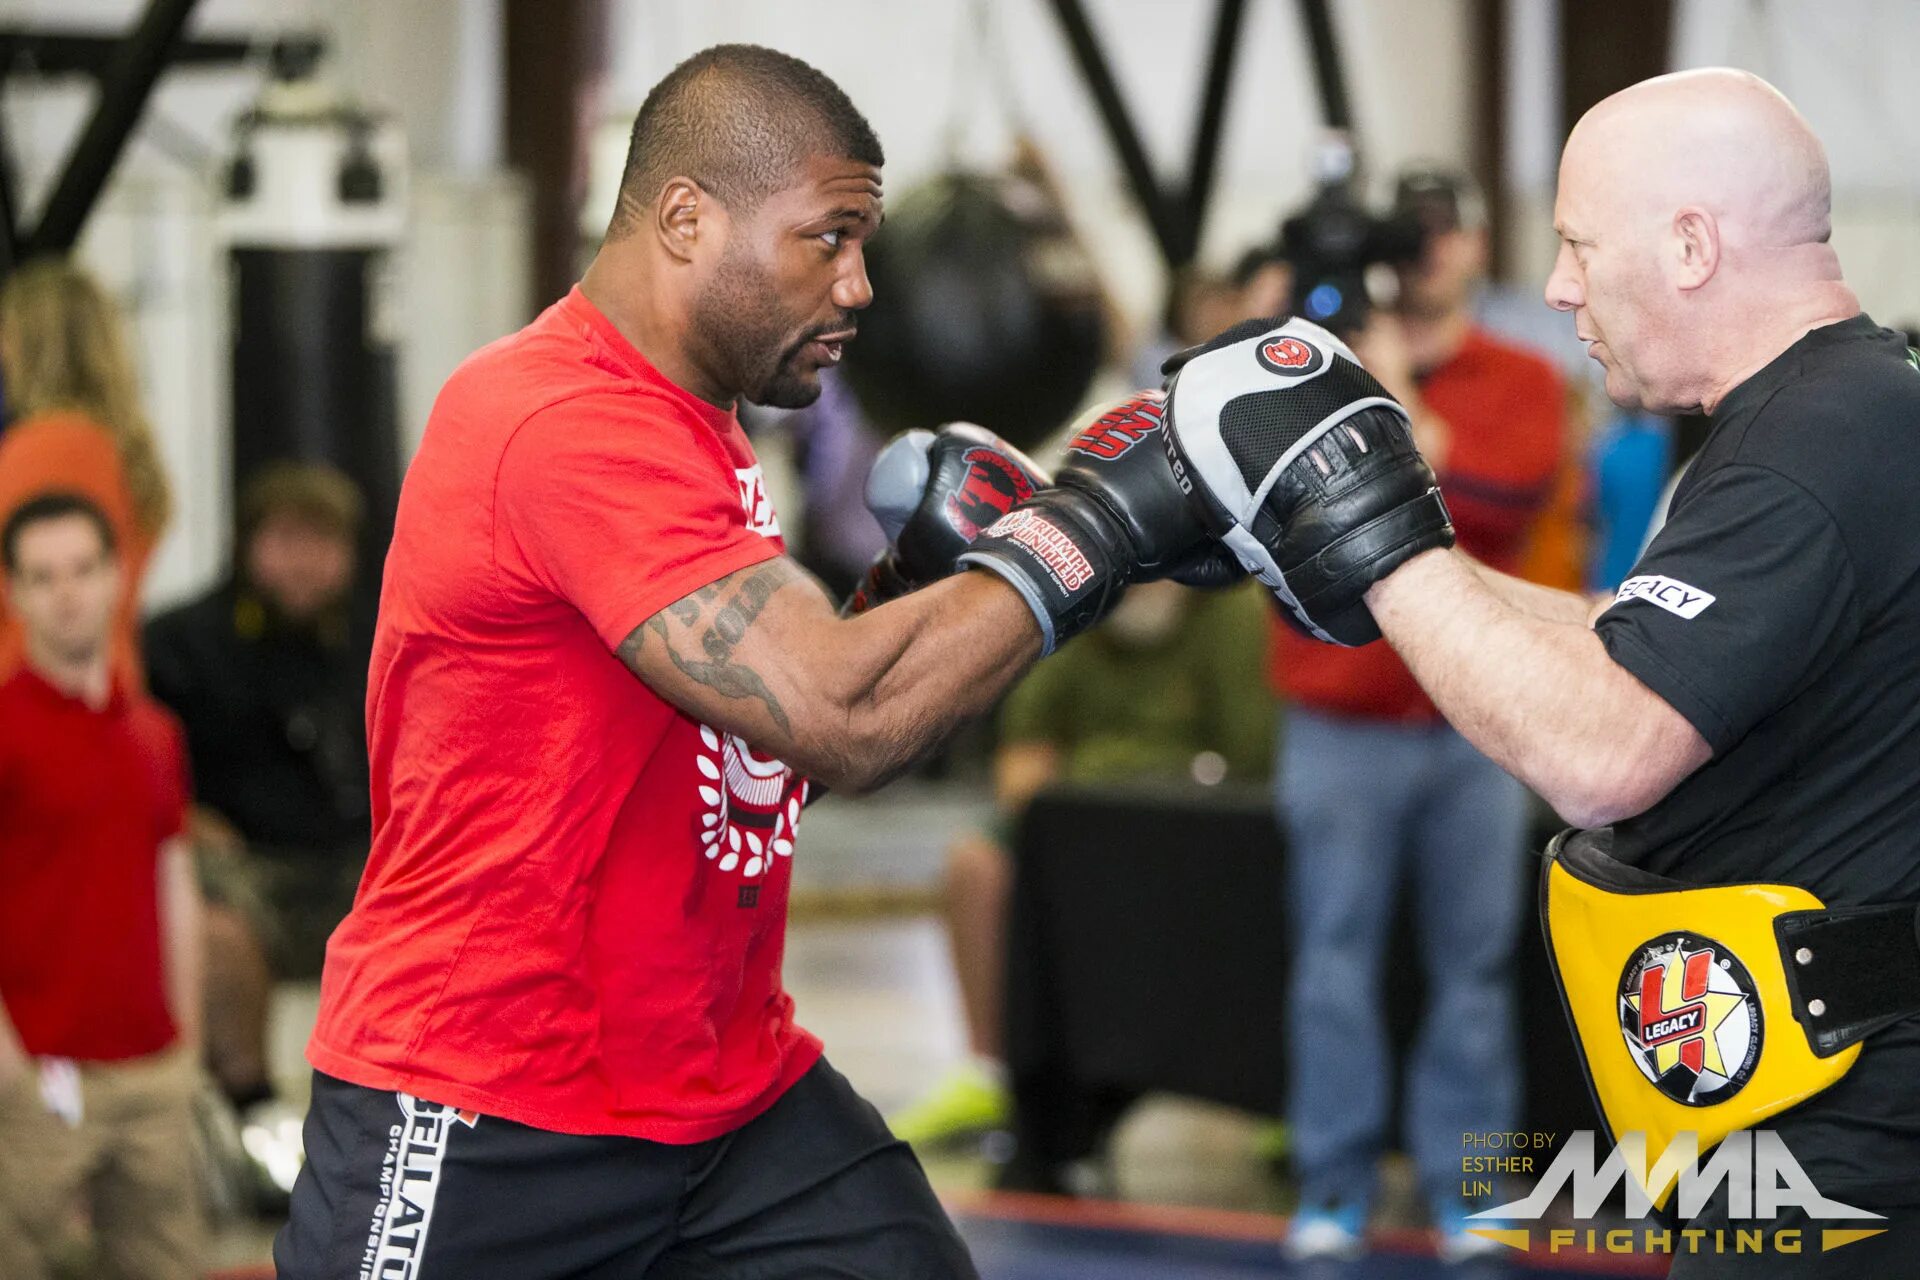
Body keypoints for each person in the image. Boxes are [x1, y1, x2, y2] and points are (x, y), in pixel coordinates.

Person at [275, 44, 1217, 1279]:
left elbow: (761, 750)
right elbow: (836, 714)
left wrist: (912, 598)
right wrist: (1102, 522)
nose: (862, 284)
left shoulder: (697, 424)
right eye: (828, 237)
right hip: (489, 1097)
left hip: (726, 1093)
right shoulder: (561, 421)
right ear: (685, 217)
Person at [1161, 68, 1920, 1277]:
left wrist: (1376, 533)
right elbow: (1629, 634)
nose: (1560, 284)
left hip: (1849, 1128)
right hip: (1802, 1092)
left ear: (1689, 245)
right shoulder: (1836, 414)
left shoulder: (1811, 448)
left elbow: (1602, 750)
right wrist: (1338, 566)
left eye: (1578, 245)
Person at [1269, 166, 1568, 1263]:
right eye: (1416, 232)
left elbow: (1501, 496)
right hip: (1338, 717)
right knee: (1332, 957)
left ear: (1478, 247)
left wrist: (1395, 399)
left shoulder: (1522, 377)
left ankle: (1469, 1191)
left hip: (1474, 721)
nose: (1429, 249)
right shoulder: (1310, 367)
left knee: (1475, 963)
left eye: (1448, 230)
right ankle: (1332, 1184)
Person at [889, 580, 1273, 1146]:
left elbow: (1254, 762)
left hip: (1198, 835)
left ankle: (1252, 1083)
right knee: (975, 865)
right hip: (1084, 834)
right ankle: (990, 1071)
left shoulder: (1235, 610)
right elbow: (1020, 763)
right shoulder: (1076, 601)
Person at [0, 492, 203, 1280]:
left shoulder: (154, 733)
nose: (67, 592)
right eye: (43, 575)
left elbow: (173, 877)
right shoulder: (7, 729)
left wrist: (184, 1045)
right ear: (14, 593)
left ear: (118, 577)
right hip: (37, 1076)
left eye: (83, 568)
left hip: (151, 1077)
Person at [145, 461, 371, 1114]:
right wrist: (182, 814)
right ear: (247, 545)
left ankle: (395, 1103)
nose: (304, 562)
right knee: (217, 924)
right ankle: (254, 1112)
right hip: (239, 865)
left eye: (322, 542)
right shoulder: (180, 643)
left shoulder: (378, 636)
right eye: (286, 540)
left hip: (351, 862)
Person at [0, 258, 172, 690]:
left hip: (45, 698)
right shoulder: (120, 446)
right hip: (105, 687)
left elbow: (40, 596)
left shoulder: (47, 446)